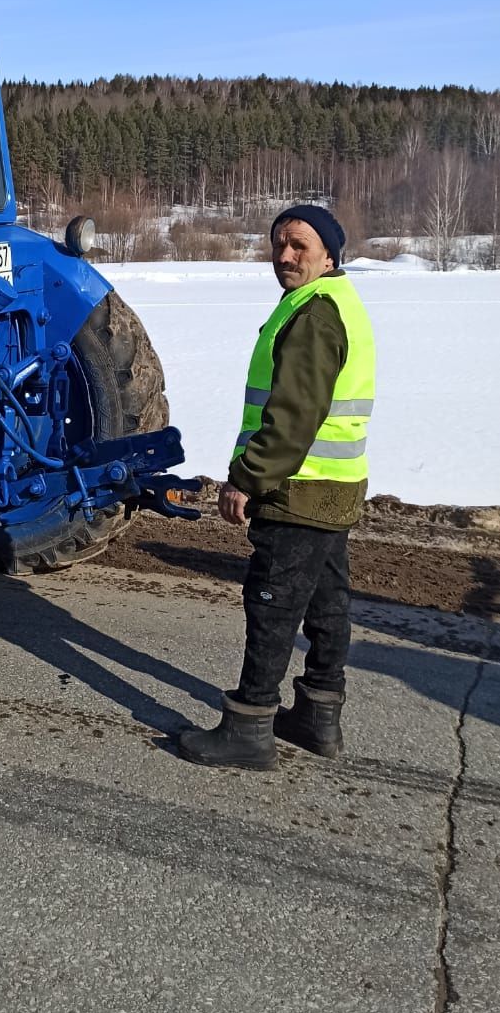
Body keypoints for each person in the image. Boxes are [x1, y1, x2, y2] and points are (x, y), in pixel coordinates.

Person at [177, 204, 375, 771]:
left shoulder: (314, 314)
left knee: (272, 601)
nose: (285, 256)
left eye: (300, 245)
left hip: (298, 487)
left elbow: (293, 415)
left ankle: (250, 726)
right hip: (333, 486)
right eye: (278, 244)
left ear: (329, 254)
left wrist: (247, 478)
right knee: (326, 600)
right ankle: (318, 716)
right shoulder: (335, 303)